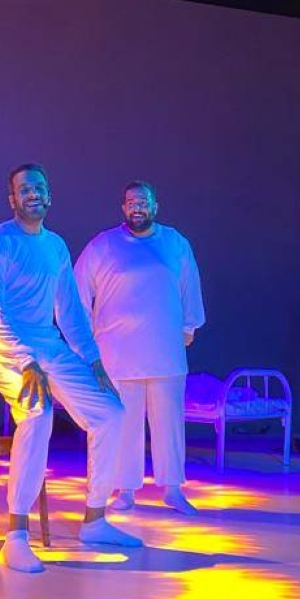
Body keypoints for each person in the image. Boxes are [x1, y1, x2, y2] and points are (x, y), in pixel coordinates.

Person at [0, 163, 142, 573]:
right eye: (24, 188)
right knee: (36, 412)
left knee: (111, 413)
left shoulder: (56, 246)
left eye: (39, 187)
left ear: (49, 196)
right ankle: (16, 535)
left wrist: (93, 359)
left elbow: (70, 311)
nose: (33, 193)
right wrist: (25, 362)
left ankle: (95, 520)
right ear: (12, 199)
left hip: (46, 343)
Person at [75, 180, 205, 515]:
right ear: (123, 207)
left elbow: (189, 285)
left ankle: (173, 489)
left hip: (165, 350)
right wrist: (85, 338)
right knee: (125, 424)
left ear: (155, 206)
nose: (137, 207)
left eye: (143, 202)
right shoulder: (104, 245)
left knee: (169, 423)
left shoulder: (174, 242)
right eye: (131, 202)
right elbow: (77, 291)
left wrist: (189, 325)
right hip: (118, 353)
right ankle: (125, 490)